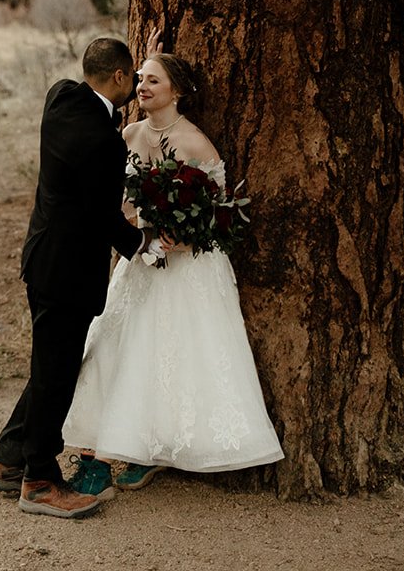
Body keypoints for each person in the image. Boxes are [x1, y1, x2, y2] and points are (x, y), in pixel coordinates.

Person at [61, 50, 284, 491]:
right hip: (140, 259)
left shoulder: (196, 143)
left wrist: (183, 239)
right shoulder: (126, 133)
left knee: (172, 355)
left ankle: (155, 451)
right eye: (139, 79)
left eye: (153, 81)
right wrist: (139, 231)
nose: (142, 87)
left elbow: (221, 214)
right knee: (112, 348)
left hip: (188, 266)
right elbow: (115, 204)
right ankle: (100, 452)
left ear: (177, 91)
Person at [0, 36, 145, 519]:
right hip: (70, 272)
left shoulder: (60, 98)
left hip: (42, 260)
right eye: (132, 77)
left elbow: (99, 99)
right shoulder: (103, 143)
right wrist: (143, 245)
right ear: (119, 77)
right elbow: (103, 216)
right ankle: (38, 481)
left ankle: (7, 460)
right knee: (56, 375)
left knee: (48, 366)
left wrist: (128, 80)